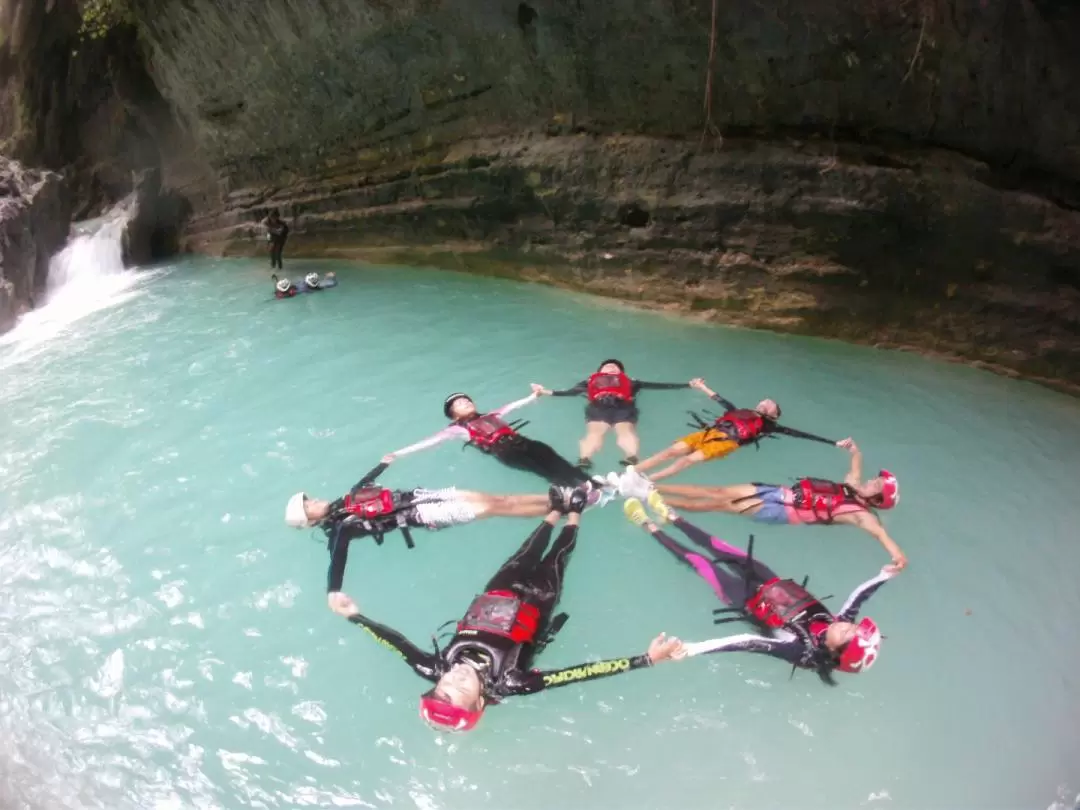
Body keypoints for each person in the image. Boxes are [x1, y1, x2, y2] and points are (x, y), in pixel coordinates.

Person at [333, 485, 686, 732]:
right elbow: (579, 673)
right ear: (480, 703)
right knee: (558, 556)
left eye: (442, 691)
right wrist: (645, 659)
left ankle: (554, 511)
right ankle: (575, 513)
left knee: (525, 551)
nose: (451, 681)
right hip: (538, 601)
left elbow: (393, 642)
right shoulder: (511, 682)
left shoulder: (435, 666)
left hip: (497, 594)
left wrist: (354, 615)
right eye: (458, 695)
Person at [622, 496, 896, 683]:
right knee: (719, 546)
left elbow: (747, 642)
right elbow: (857, 599)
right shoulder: (840, 627)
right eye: (853, 627)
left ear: (837, 653)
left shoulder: (798, 650)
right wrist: (883, 575)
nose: (847, 624)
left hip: (746, 602)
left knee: (699, 562)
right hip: (773, 585)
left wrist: (694, 649)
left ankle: (648, 525)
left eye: (849, 632)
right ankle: (671, 515)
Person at [284, 460, 569, 610]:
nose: (313, 501)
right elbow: (337, 559)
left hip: (421, 496)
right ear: (310, 522)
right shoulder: (340, 530)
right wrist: (334, 591)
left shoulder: (339, 503)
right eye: (307, 507)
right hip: (422, 516)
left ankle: (559, 498)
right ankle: (561, 507)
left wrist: (383, 464)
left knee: (496, 499)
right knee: (492, 508)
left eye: (308, 500)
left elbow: (362, 485)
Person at [616, 439, 907, 570]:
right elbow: (856, 464)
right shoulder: (852, 485)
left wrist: (897, 556)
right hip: (777, 492)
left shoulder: (859, 514)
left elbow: (880, 534)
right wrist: (854, 449)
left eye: (876, 486)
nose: (871, 481)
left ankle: (655, 500)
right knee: (716, 491)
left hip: (781, 511)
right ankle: (647, 486)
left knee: (719, 505)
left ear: (875, 500)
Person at [384, 391, 605, 489]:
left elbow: (514, 405)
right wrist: (398, 453)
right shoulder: (456, 430)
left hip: (522, 441)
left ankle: (590, 482)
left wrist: (533, 396)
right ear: (453, 415)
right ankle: (574, 490)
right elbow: (429, 442)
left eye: (467, 400)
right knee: (543, 470)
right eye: (459, 404)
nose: (465, 403)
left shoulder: (492, 415)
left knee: (554, 458)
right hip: (505, 452)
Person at [630, 378, 838, 482]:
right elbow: (719, 399)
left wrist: (834, 443)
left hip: (727, 442)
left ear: (774, 414)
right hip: (708, 433)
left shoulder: (769, 425)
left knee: (686, 461)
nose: (766, 402)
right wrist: (701, 386)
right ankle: (632, 472)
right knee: (670, 451)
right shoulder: (739, 411)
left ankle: (649, 480)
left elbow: (801, 434)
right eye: (765, 400)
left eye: (770, 404)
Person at [531, 360, 699, 468]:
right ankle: (584, 459)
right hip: (598, 408)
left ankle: (631, 457)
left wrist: (687, 385)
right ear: (599, 371)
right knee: (595, 432)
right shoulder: (588, 383)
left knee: (624, 431)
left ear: (621, 372)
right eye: (607, 365)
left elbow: (658, 385)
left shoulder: (632, 383)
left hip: (623, 408)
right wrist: (545, 391)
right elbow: (570, 392)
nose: (611, 366)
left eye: (615, 366)